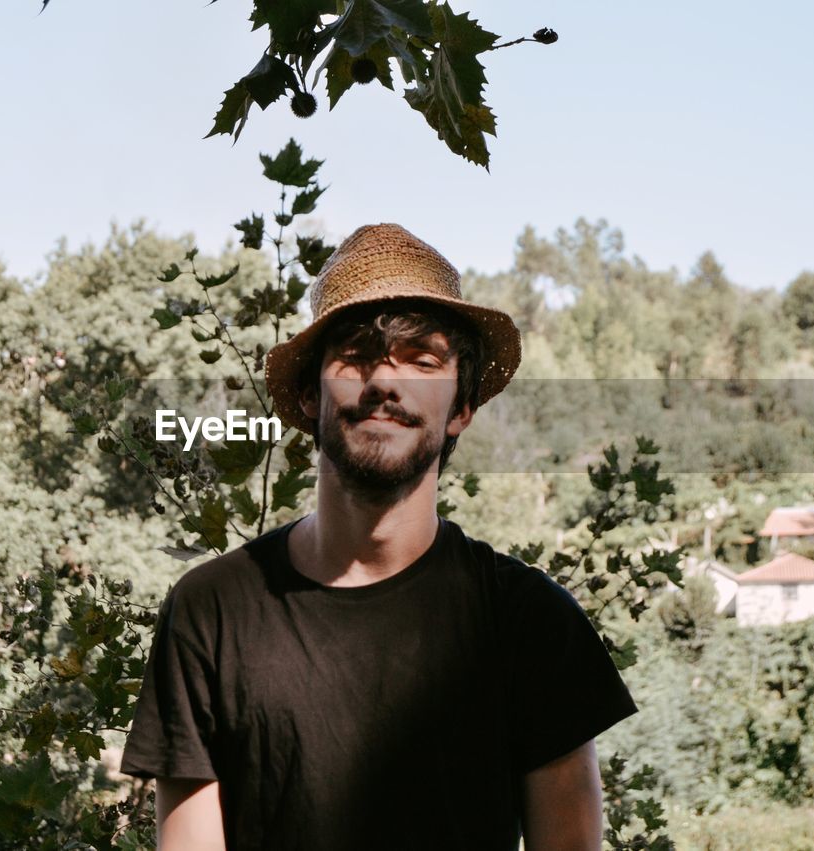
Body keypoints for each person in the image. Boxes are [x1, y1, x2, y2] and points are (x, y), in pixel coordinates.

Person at [120, 224, 638, 850]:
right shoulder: (211, 613)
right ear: (311, 394)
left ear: (462, 406)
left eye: (423, 360)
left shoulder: (529, 622)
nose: (386, 381)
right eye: (357, 356)